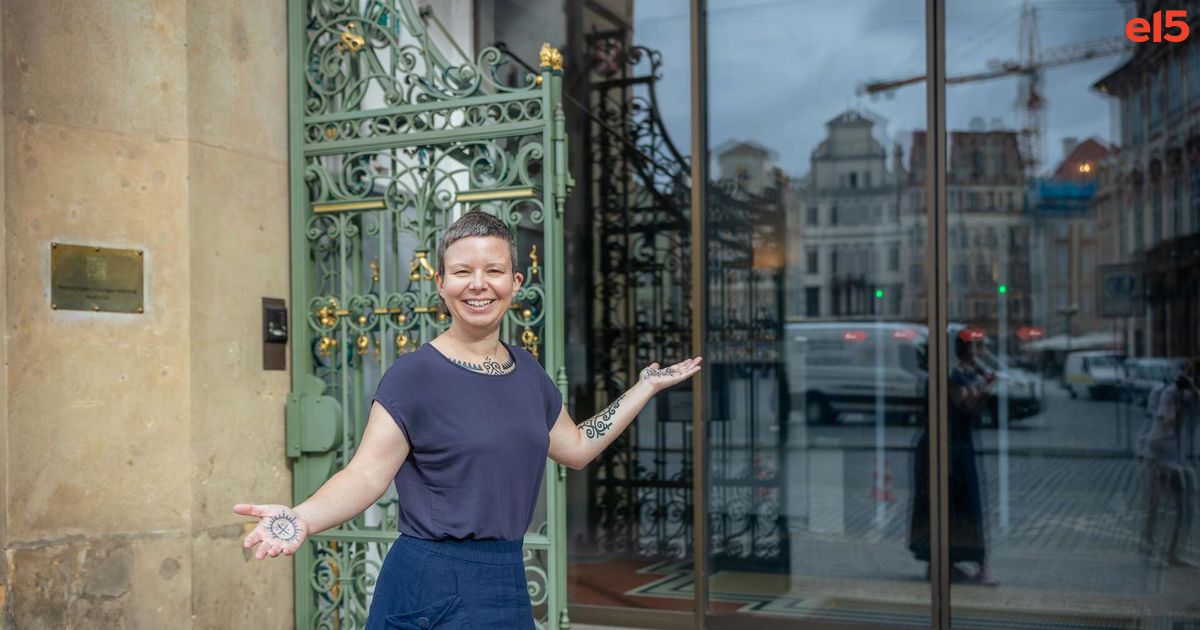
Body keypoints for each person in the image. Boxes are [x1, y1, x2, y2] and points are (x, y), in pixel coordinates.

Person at [234, 211, 702, 628]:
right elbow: (366, 475)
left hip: (505, 577)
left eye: (493, 271)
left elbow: (577, 448)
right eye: (462, 272)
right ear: (441, 283)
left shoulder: (528, 372)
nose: (478, 284)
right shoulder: (414, 376)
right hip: (430, 585)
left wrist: (644, 388)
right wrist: (303, 517)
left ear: (516, 282)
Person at [909, 333, 997, 585]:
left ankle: (942, 564)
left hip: (952, 446)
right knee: (962, 503)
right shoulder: (951, 377)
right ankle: (972, 564)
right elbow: (966, 405)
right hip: (950, 448)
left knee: (951, 504)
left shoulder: (955, 375)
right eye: (978, 347)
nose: (982, 352)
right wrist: (985, 387)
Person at [1140, 361, 1197, 567]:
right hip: (1157, 456)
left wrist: (1192, 393)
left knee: (1183, 507)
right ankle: (1149, 548)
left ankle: (1173, 552)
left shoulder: (1188, 394)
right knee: (1156, 506)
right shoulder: (1167, 393)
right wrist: (1181, 400)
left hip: (1176, 459)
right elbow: (1170, 422)